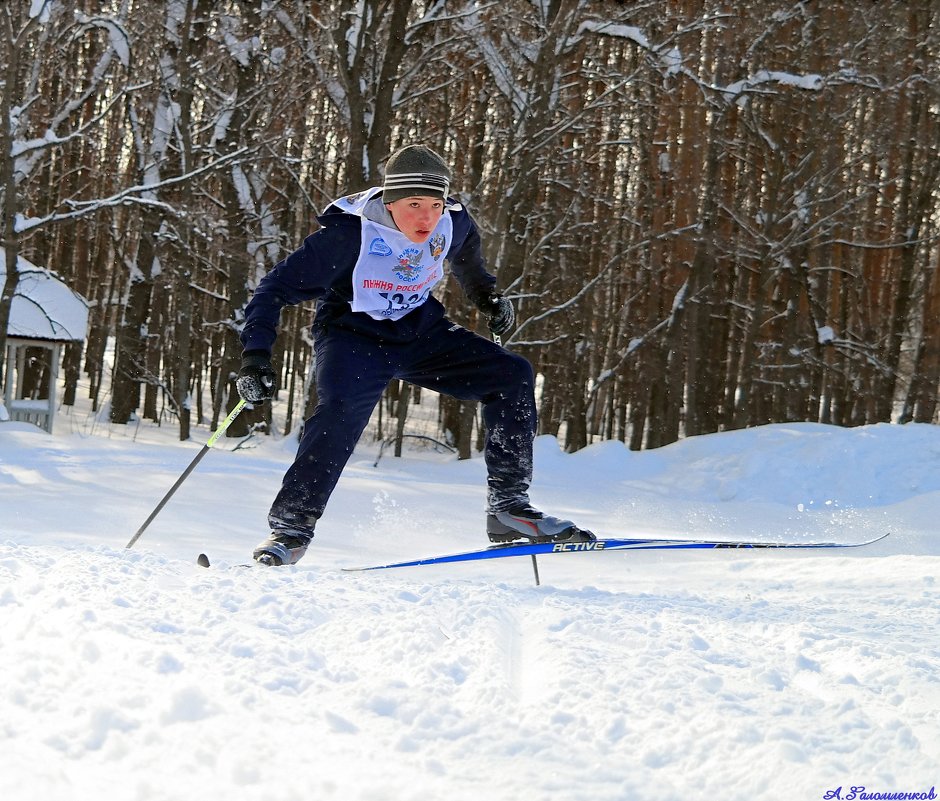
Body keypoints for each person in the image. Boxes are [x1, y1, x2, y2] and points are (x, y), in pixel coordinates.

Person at [236, 144, 594, 566]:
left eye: (436, 205)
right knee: (339, 411)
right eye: (414, 205)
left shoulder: (454, 222)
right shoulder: (347, 236)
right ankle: (291, 530)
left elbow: (469, 261)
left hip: (420, 330)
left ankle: (508, 509)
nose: (427, 218)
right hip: (355, 335)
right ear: (390, 202)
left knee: (512, 375)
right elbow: (272, 290)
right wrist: (256, 357)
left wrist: (489, 299)